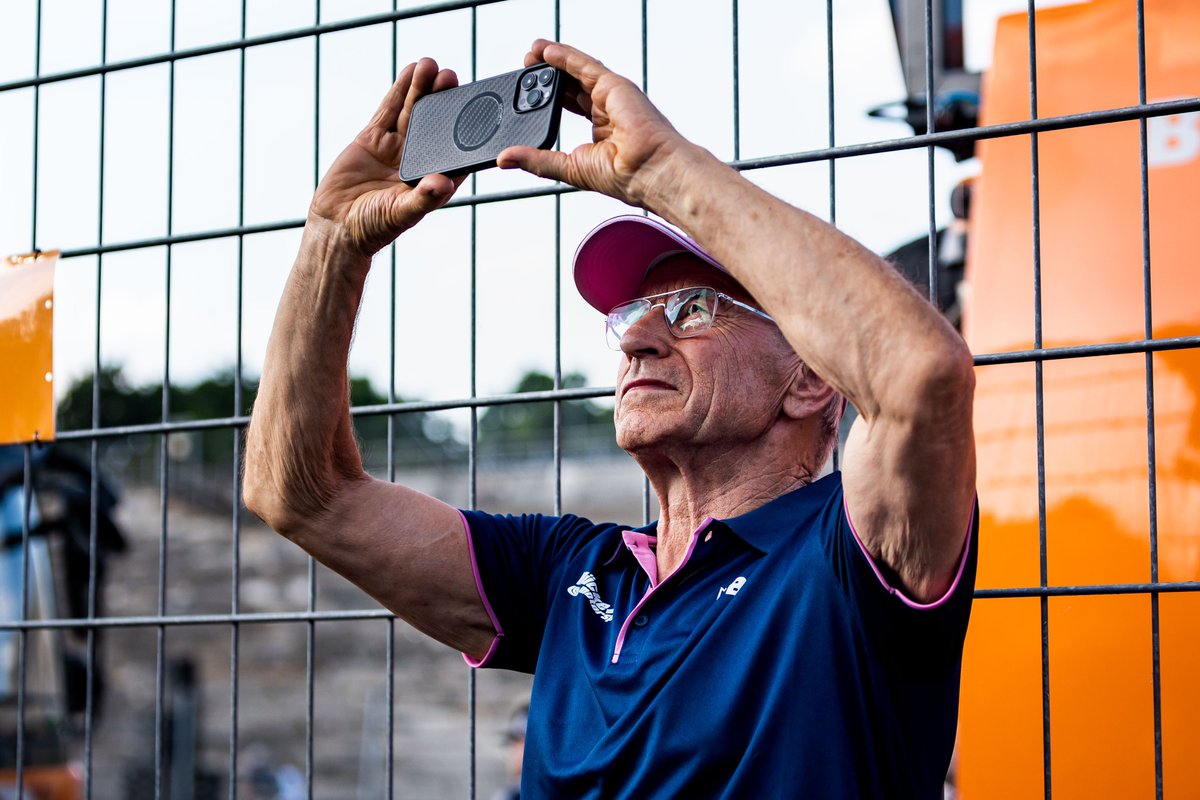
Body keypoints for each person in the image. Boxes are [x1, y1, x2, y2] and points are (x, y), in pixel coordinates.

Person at [243, 39, 977, 799]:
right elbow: (300, 494)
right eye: (632, 313)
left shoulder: (850, 551)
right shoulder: (571, 571)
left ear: (811, 381)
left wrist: (663, 174)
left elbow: (922, 375)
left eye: (692, 310)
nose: (635, 337)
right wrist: (332, 244)